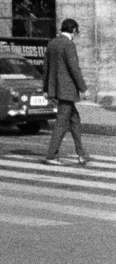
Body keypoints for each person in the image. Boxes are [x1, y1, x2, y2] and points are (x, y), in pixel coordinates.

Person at [43, 17, 90, 165]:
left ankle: (81, 153)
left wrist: (46, 89)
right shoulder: (68, 45)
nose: (77, 34)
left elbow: (46, 68)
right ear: (74, 30)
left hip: (56, 89)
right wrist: (83, 88)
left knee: (75, 119)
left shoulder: (52, 43)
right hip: (67, 91)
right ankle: (51, 155)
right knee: (61, 123)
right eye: (77, 31)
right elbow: (74, 68)